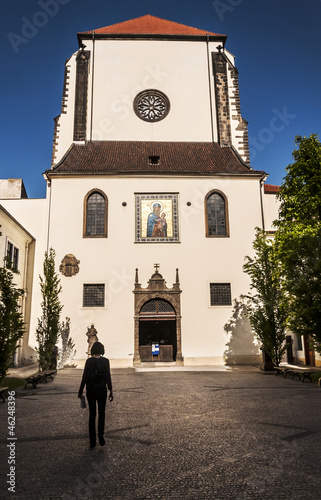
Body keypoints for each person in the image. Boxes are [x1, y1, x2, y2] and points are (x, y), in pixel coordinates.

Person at [78, 342, 113, 448]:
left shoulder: (89, 361)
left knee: (92, 414)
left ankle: (92, 440)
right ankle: (101, 434)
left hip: (91, 390)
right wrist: (110, 390)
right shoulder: (106, 361)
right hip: (102, 390)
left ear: (93, 350)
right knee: (102, 413)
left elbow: (85, 376)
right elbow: (108, 376)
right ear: (102, 350)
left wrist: (80, 391)